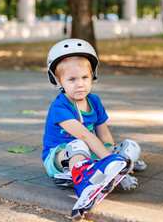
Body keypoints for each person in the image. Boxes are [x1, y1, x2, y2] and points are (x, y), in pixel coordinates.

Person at [42, 39, 146, 195]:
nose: (80, 84)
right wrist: (111, 161)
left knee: (130, 146)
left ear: (92, 75)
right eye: (72, 79)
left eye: (85, 77)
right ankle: (83, 178)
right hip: (60, 156)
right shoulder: (59, 107)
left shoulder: (94, 101)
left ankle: (117, 163)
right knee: (78, 146)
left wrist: (112, 153)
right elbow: (84, 135)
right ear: (58, 81)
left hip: (90, 150)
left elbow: (103, 134)